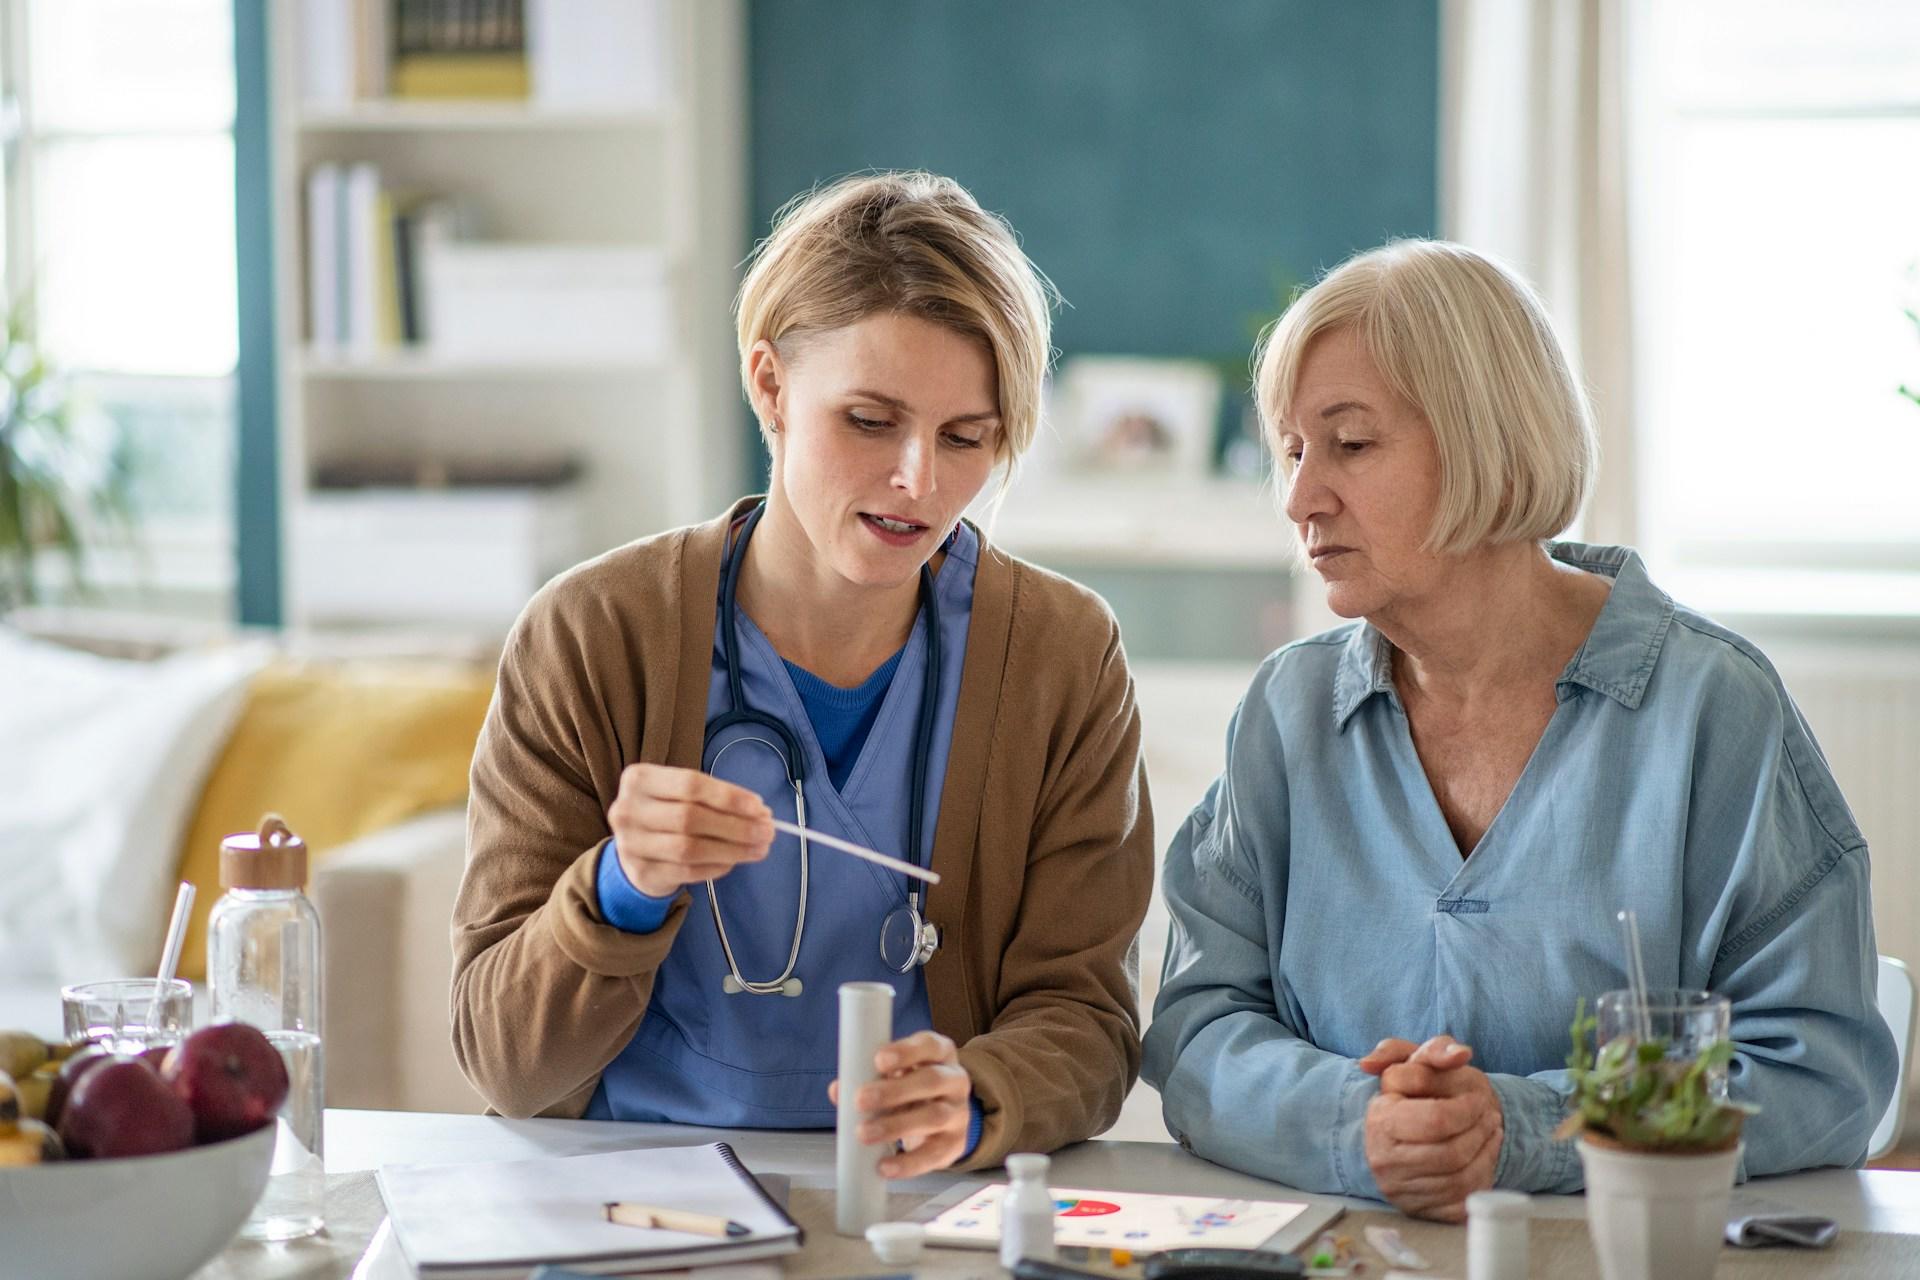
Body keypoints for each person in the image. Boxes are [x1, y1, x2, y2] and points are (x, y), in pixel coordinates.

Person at [1141, 239, 1898, 1220]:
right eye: (1291, 449)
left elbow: (1823, 1073)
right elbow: (1196, 1027)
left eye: (1351, 443)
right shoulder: (1286, 715)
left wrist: (1527, 1125)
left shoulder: (1714, 710)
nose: (1299, 496)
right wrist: (1360, 1120)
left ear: (1483, 436)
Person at [451, 172, 1154, 1176]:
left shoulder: (1060, 654)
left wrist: (979, 1095)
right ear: (770, 385)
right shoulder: (591, 634)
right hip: (628, 1191)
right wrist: (622, 885)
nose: (919, 479)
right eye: (870, 419)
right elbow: (504, 1060)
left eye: (968, 437)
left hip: (917, 1194)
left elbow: (1087, 1022)